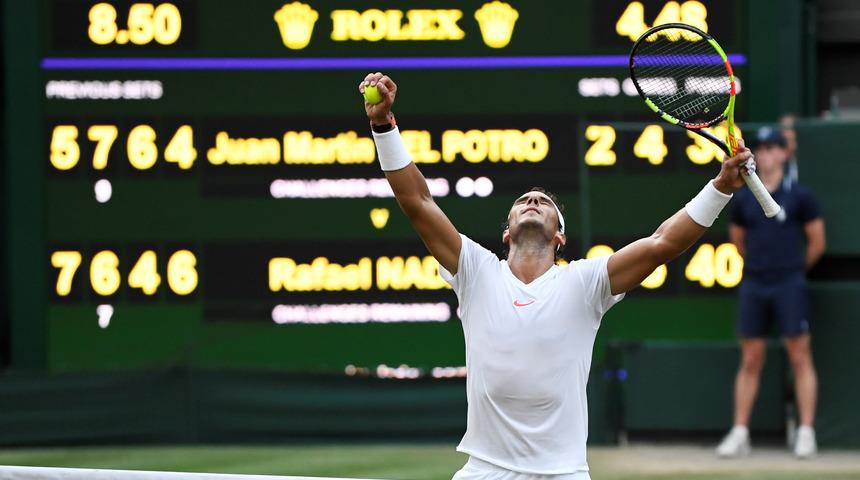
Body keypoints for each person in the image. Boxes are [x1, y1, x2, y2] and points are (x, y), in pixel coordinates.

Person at [359, 72, 752, 480]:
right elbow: (418, 202)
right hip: (485, 471)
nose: (532, 200)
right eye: (524, 201)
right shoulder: (475, 270)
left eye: (544, 201)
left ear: (559, 235)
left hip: (562, 473)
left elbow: (661, 244)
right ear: (507, 232)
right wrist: (384, 126)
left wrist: (721, 186)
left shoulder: (585, 283)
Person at [716, 126, 826, 459]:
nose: (765, 154)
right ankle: (740, 432)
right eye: (760, 148)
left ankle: (806, 432)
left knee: (799, 355)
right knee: (750, 358)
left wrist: (792, 270)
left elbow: (817, 243)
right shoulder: (744, 200)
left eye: (772, 147)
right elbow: (738, 241)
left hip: (790, 283)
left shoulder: (802, 197)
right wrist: (760, 267)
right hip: (755, 283)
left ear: (784, 153)